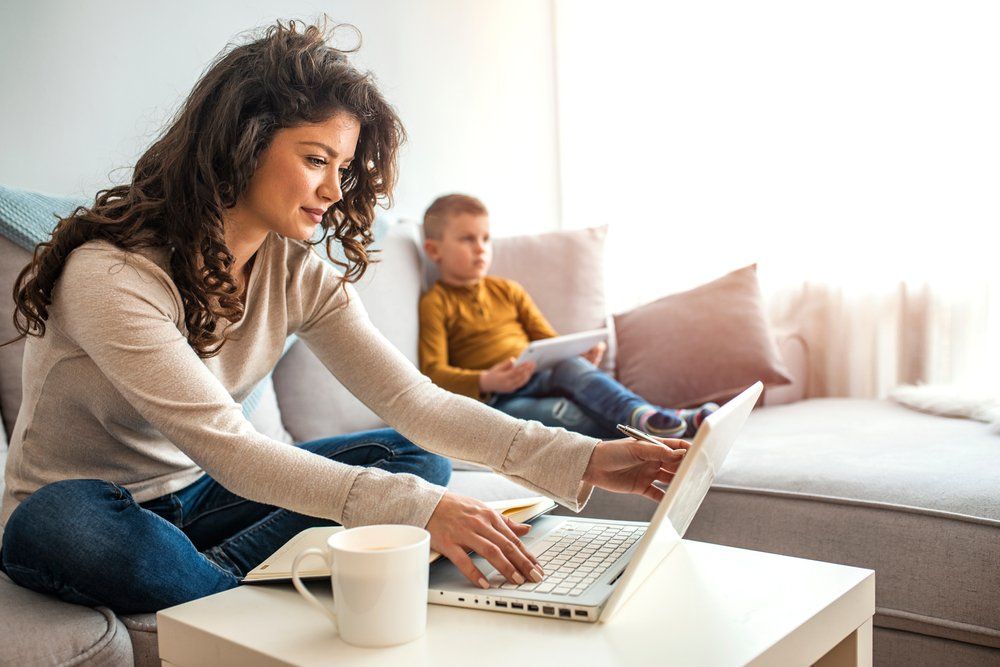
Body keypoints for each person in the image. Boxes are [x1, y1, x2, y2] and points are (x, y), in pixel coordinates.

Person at [0, 20, 691, 615]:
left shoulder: (296, 272)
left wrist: (590, 456)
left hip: (202, 499)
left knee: (412, 458)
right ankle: (238, 585)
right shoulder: (112, 274)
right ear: (242, 145)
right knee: (67, 527)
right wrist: (416, 511)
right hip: (88, 507)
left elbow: (414, 401)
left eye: (344, 165)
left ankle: (222, 581)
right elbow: (229, 446)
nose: (334, 189)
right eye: (315, 159)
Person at [419, 194, 718, 441]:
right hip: (500, 400)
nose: (481, 248)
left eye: (485, 238)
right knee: (562, 413)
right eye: (467, 239)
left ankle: (647, 417)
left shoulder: (507, 290)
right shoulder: (435, 303)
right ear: (434, 250)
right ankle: (663, 432)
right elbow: (432, 372)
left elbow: (548, 341)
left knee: (575, 368)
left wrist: (578, 353)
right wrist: (488, 381)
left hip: (543, 372)